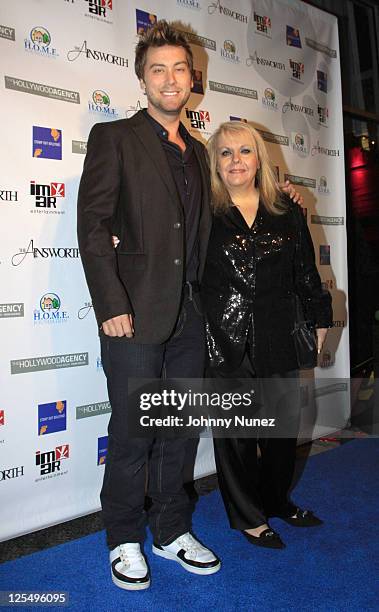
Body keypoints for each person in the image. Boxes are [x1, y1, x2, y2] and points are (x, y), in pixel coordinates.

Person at [77, 21, 221, 590]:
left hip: (190, 313)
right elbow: (93, 225)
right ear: (142, 79)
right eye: (157, 68)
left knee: (179, 427)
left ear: (193, 81)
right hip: (132, 311)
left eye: (179, 69)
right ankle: (122, 537)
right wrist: (111, 301)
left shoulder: (202, 153)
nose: (169, 78)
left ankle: (170, 530)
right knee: (135, 428)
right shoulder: (114, 138)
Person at [201, 121, 333, 549]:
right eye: (226, 153)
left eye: (245, 151)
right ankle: (248, 516)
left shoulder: (287, 208)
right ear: (215, 163)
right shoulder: (201, 210)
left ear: (260, 159)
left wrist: (319, 320)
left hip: (280, 332)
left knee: (281, 432)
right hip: (223, 337)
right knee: (236, 436)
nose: (236, 160)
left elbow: (305, 271)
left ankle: (276, 501)